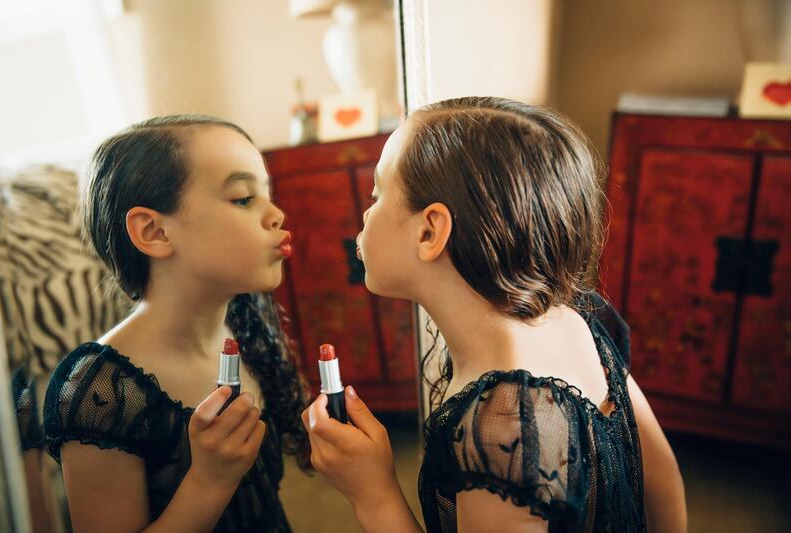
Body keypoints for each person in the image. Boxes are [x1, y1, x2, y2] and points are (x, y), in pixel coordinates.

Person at [303, 97, 687, 532]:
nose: (367, 212)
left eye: (378, 195)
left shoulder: (502, 428)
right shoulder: (573, 322)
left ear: (429, 231)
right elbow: (664, 481)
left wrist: (372, 493)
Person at [43, 115, 308, 532]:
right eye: (243, 198)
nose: (276, 215)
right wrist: (208, 482)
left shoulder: (245, 323)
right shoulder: (100, 394)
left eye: (267, 194)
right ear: (154, 231)